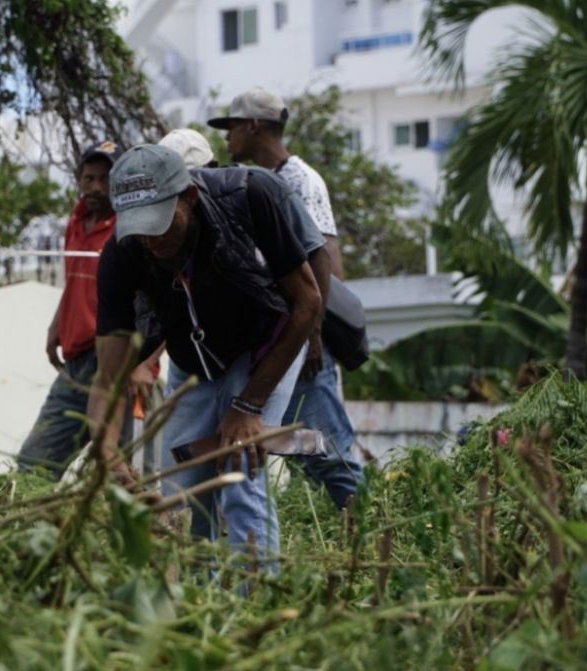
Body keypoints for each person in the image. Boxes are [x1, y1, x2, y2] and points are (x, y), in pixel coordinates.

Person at [86, 144, 321, 557]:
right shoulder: (123, 252)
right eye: (138, 227)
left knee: (237, 469)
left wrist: (249, 407)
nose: (150, 239)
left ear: (189, 198)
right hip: (193, 355)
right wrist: (110, 462)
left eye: (159, 223)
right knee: (179, 488)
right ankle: (191, 598)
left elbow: (307, 302)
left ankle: (256, 596)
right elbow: (107, 377)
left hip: (265, 343)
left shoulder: (247, 197)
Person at [209, 87, 364, 510]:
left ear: (255, 125)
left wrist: (312, 333)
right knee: (298, 450)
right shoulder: (260, 180)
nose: (227, 137)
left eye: (232, 126)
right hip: (279, 338)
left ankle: (370, 533)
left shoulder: (299, 179)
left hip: (303, 336)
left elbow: (324, 256)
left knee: (331, 450)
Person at [18, 141, 156, 476]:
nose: (96, 187)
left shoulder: (134, 229)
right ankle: (35, 526)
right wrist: (57, 327)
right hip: (77, 362)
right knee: (34, 464)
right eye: (89, 177)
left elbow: (158, 304)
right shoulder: (76, 222)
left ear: (122, 181)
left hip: (121, 362)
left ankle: (140, 526)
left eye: (106, 179)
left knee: (124, 468)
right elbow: (74, 284)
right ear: (79, 178)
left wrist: (146, 363)